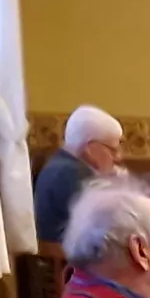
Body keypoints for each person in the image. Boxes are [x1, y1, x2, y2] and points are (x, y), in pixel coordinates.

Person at [33, 104, 123, 250]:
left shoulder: (60, 164)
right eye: (113, 150)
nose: (118, 157)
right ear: (91, 149)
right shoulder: (72, 174)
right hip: (67, 264)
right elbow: (111, 227)